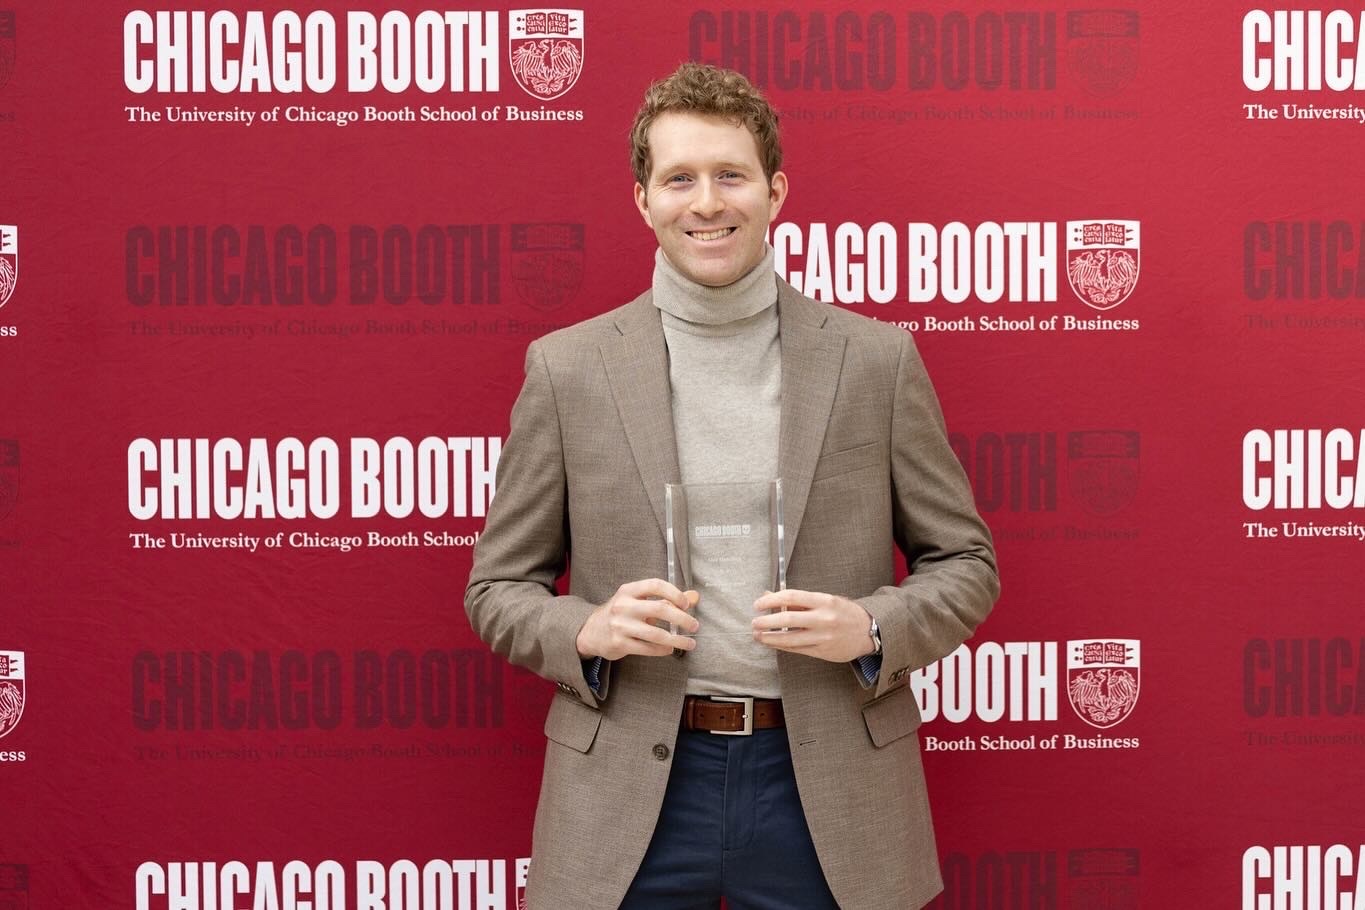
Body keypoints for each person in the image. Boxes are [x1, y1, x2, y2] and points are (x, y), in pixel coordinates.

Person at [465, 62, 998, 910]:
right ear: (643, 199)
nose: (706, 202)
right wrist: (587, 629)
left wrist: (869, 626)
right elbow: (496, 588)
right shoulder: (568, 370)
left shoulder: (874, 360)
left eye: (730, 175)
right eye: (679, 178)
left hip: (825, 785)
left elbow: (965, 563)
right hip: (629, 788)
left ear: (774, 191)